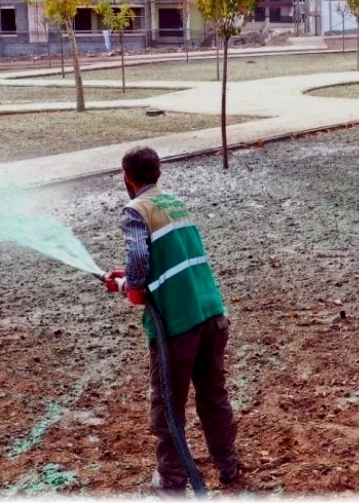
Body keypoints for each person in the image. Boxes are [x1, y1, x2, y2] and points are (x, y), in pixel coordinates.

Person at [103, 146, 240, 495]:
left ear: (127, 178)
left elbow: (138, 256)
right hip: (211, 313)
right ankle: (228, 465)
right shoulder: (175, 203)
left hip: (177, 326)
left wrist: (131, 287)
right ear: (159, 174)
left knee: (167, 404)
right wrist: (132, 280)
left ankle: (172, 481)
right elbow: (169, 257)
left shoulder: (135, 210)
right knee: (213, 395)